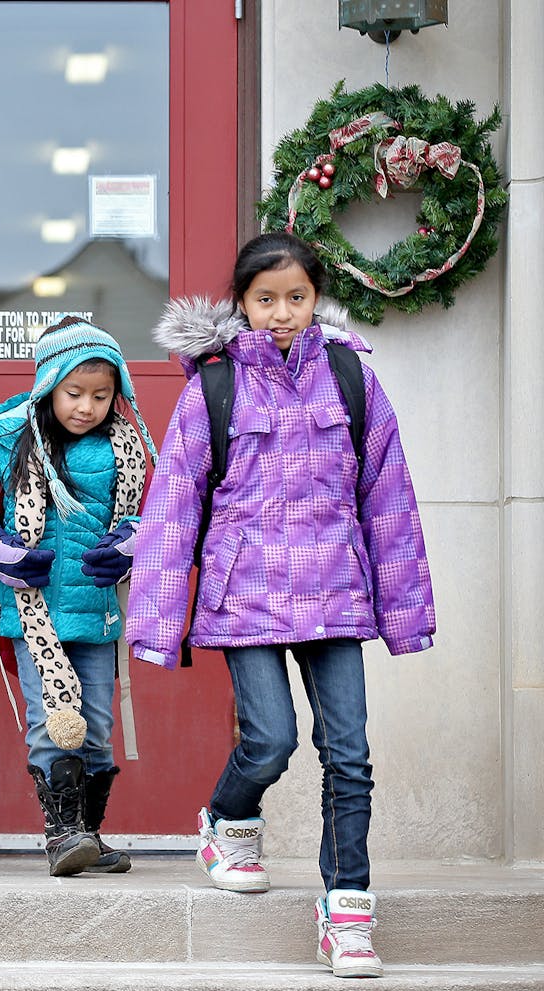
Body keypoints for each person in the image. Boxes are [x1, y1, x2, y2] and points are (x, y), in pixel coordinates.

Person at [126, 231, 435, 978]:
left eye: (296, 297)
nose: (282, 313)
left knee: (350, 755)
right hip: (246, 596)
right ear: (242, 303)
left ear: (315, 298)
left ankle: (348, 911)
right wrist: (158, 622)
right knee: (271, 740)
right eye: (266, 299)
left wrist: (404, 612)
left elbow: (387, 502)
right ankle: (228, 817)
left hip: (334, 592)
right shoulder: (214, 388)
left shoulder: (351, 380)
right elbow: (173, 506)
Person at [0, 319, 157, 877]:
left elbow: (154, 514)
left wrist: (134, 543)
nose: (87, 407)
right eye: (74, 394)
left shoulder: (128, 451)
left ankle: (89, 831)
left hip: (95, 613)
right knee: (52, 719)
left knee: (95, 723)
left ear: (119, 394)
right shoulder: (10, 444)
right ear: (47, 386)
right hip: (31, 613)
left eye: (101, 395)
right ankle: (62, 833)